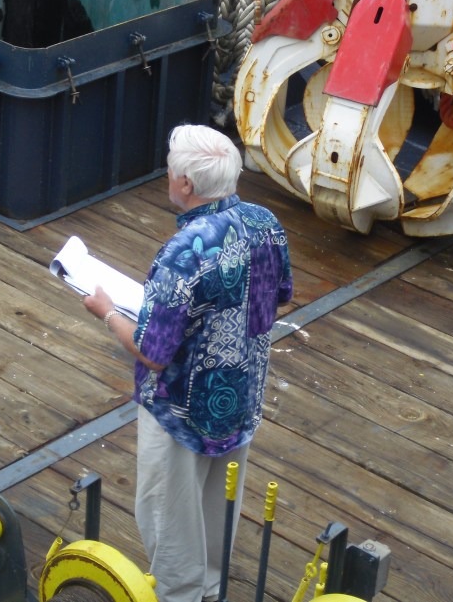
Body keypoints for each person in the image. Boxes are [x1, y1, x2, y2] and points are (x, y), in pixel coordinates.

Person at [83, 124, 292, 602]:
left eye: (172, 171)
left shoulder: (183, 253)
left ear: (186, 186)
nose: (168, 176)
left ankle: (179, 594)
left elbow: (152, 354)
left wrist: (108, 313)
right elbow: (278, 296)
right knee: (220, 503)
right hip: (240, 393)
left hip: (181, 407)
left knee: (170, 513)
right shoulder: (265, 222)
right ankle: (212, 587)